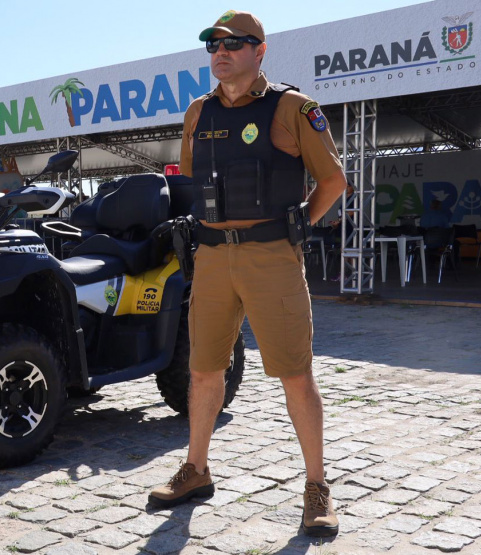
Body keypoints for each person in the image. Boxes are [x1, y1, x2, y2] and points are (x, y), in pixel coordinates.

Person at [146, 11, 347, 538]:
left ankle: (317, 487)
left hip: (271, 256)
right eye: (213, 43)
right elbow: (193, 179)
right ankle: (196, 469)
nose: (221, 51)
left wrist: (299, 224)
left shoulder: (293, 108)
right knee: (204, 370)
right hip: (212, 257)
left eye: (234, 43)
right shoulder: (197, 112)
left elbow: (333, 181)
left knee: (295, 373)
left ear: (260, 50)